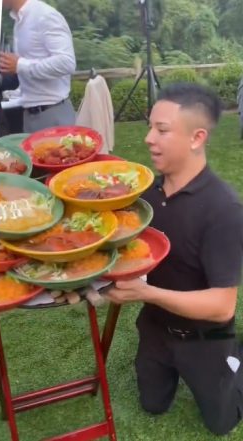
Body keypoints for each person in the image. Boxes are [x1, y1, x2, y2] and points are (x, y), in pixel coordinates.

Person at [106, 83, 243, 436]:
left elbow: (222, 307)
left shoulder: (223, 210)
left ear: (197, 137)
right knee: (152, 404)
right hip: (155, 327)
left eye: (162, 130)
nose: (149, 138)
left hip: (203, 337)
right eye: (150, 127)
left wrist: (146, 294)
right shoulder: (146, 194)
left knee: (221, 423)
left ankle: (236, 357)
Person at [0, 0, 76, 133]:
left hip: (53, 114)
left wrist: (19, 65)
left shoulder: (44, 15)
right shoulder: (18, 21)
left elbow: (67, 62)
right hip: (29, 115)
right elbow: (22, 66)